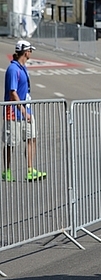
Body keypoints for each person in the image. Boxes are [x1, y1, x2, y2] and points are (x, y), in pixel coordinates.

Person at [3, 40, 46, 182]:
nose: (31, 53)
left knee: (32, 138)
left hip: (26, 110)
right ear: (25, 52)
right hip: (14, 112)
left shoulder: (22, 67)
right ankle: (6, 171)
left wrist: (27, 112)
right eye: (30, 50)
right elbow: (13, 93)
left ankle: (30, 169)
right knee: (11, 143)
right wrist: (23, 111)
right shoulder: (13, 69)